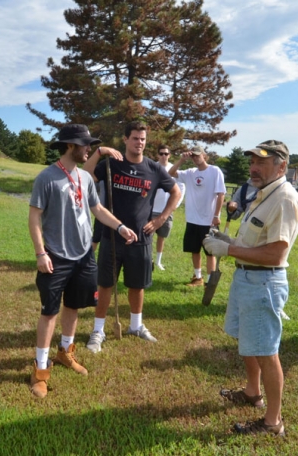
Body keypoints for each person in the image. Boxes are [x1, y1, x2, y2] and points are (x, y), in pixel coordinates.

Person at [28, 124, 138, 398]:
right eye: (85, 144)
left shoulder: (85, 178)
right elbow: (34, 218)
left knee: (74, 306)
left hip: (83, 255)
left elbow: (97, 209)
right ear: (69, 146)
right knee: (49, 312)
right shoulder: (47, 178)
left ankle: (66, 352)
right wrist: (41, 253)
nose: (89, 148)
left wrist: (120, 226)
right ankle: (40, 370)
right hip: (55, 256)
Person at [203, 140, 298, 437]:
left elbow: (275, 254)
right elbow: (255, 243)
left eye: (262, 162)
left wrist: (227, 251)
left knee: (265, 350)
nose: (253, 168)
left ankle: (273, 422)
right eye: (251, 162)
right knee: (250, 342)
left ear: (281, 166)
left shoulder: (284, 198)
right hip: (247, 279)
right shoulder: (262, 195)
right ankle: (252, 393)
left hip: (264, 282)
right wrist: (229, 241)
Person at [82, 121, 181, 352]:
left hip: (141, 238)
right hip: (111, 236)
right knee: (106, 284)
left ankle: (136, 326)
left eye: (143, 139)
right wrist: (99, 151)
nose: (140, 143)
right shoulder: (112, 164)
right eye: (135, 138)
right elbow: (85, 176)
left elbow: (175, 191)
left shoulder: (154, 169)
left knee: (138, 285)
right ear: (125, 140)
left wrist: (161, 218)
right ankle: (98, 330)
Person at [168, 146, 226, 286]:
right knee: (194, 250)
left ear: (204, 156)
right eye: (192, 156)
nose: (195, 158)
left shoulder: (214, 171)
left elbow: (221, 194)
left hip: (208, 220)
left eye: (197, 155)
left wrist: (216, 215)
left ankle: (209, 281)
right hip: (192, 219)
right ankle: (198, 277)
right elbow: (171, 172)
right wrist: (181, 160)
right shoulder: (190, 173)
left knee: (209, 252)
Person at [153, 144, 185, 270]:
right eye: (161, 153)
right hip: (151, 209)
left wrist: (176, 204)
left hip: (166, 210)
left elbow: (182, 188)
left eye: (166, 154)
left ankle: (158, 261)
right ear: (157, 155)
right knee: (147, 238)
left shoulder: (173, 169)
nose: (163, 156)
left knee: (162, 237)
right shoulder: (153, 167)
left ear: (169, 155)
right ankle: (147, 260)